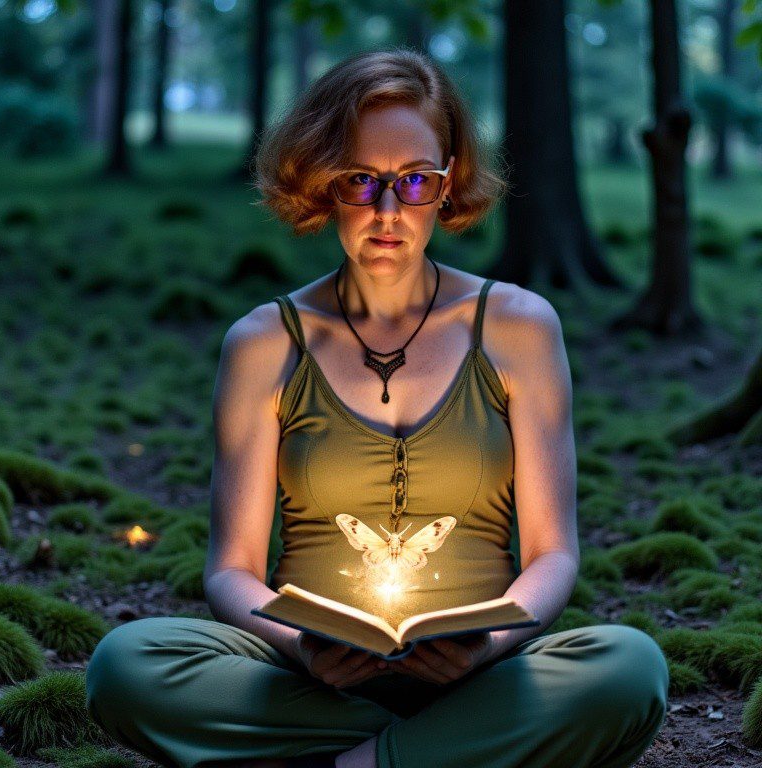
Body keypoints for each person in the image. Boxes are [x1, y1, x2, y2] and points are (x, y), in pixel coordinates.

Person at [85, 48, 669, 768]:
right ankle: (438, 754)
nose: (388, 212)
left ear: (449, 183)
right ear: (321, 180)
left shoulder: (518, 327)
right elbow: (231, 570)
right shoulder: (266, 343)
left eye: (416, 180)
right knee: (128, 664)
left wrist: (489, 644)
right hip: (309, 683)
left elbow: (554, 555)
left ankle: (354, 761)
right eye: (360, 180)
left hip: (482, 677)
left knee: (628, 668)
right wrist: (302, 647)